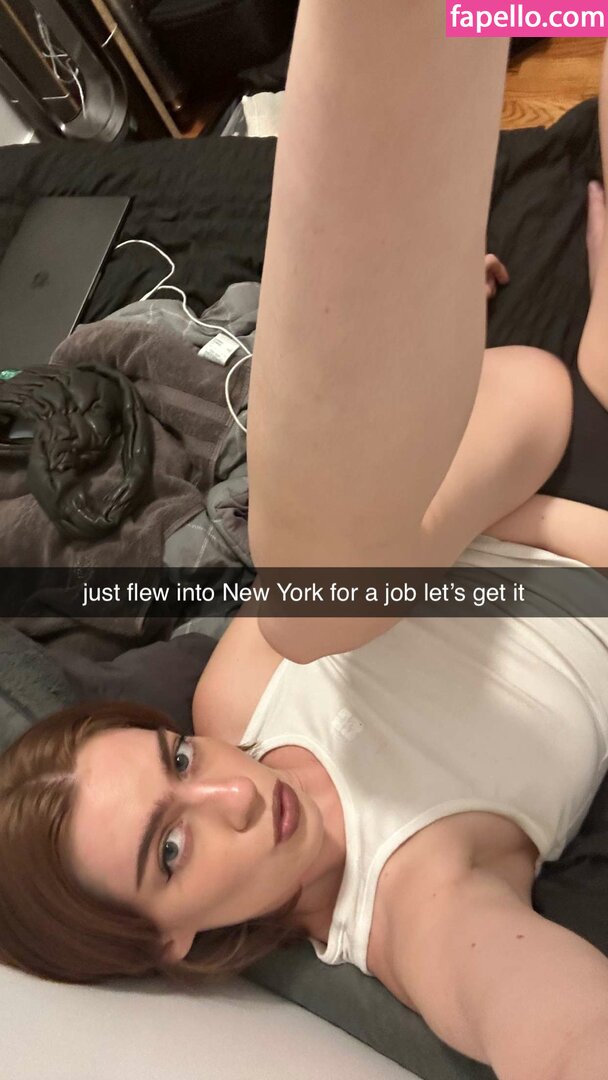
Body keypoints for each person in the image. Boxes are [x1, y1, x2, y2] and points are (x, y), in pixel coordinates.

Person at [3, 7, 608, 1078]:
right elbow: (559, 1034)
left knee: (300, 602)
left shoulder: (230, 706)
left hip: (489, 474)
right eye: (171, 849)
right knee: (306, 600)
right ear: (170, 943)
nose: (231, 794)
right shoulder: (419, 909)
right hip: (558, 462)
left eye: (176, 763)